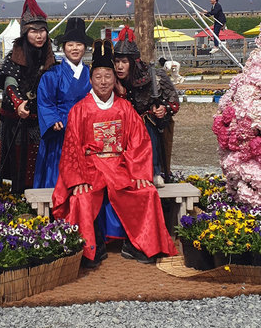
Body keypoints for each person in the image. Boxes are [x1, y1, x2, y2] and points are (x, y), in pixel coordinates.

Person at [51, 39, 177, 268]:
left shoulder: (125, 108)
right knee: (82, 196)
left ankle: (137, 245)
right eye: (98, 76)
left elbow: (139, 142)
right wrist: (77, 179)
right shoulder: (79, 110)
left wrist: (139, 172)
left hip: (120, 167)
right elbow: (71, 148)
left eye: (108, 76)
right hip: (89, 168)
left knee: (145, 191)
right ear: (91, 79)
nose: (103, 81)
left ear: (114, 78)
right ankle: (92, 247)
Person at [0, 0, 55, 194]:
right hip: (16, 118)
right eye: (34, 31)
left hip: (41, 119)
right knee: (18, 160)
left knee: (40, 161)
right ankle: (18, 198)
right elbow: (9, 80)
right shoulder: (17, 51)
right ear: (26, 32)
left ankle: (40, 197)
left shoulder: (49, 54)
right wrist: (18, 103)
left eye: (42, 30)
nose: (39, 35)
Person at [113, 27, 180, 187]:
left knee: (146, 125)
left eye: (124, 62)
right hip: (122, 124)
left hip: (148, 124)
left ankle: (154, 171)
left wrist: (163, 109)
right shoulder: (111, 79)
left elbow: (174, 103)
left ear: (133, 62)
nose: (119, 67)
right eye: (117, 62)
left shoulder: (155, 76)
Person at [34, 17, 93, 188]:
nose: (75, 48)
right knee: (58, 173)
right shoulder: (53, 75)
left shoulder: (92, 74)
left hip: (86, 132)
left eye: (79, 44)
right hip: (61, 131)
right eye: (70, 44)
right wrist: (52, 119)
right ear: (63, 47)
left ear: (85, 47)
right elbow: (45, 101)